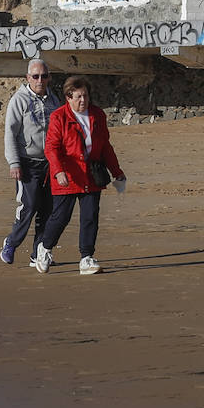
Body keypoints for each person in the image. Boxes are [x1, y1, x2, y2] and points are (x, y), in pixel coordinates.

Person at [32, 75, 125, 275]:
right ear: (68, 97)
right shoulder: (59, 117)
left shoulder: (98, 115)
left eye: (86, 96)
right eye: (78, 97)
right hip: (66, 175)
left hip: (92, 174)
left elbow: (105, 147)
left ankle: (86, 257)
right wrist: (58, 171)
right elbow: (51, 148)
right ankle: (45, 248)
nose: (83, 100)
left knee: (90, 216)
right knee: (60, 217)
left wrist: (117, 171)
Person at [0, 59, 61, 265]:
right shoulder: (19, 100)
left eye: (44, 76)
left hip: (50, 163)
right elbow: (10, 133)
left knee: (48, 209)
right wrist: (13, 162)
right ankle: (11, 242)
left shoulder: (54, 100)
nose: (40, 80)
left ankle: (38, 254)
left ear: (49, 78)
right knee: (29, 205)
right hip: (27, 163)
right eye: (35, 76)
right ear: (28, 78)